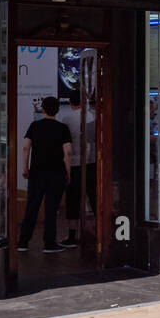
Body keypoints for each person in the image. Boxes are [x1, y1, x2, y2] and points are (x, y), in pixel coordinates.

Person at [18, 96, 72, 253]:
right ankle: (49, 243)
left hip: (36, 172)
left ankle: (23, 242)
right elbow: (67, 152)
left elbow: (25, 148)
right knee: (51, 207)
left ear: (42, 109)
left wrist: (25, 168)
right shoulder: (63, 128)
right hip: (56, 173)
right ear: (58, 110)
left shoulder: (34, 126)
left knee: (32, 206)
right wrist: (68, 171)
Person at [56, 94, 97, 247]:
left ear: (71, 103)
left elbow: (65, 144)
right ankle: (99, 232)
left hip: (74, 164)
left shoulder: (67, 119)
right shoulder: (93, 116)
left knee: (72, 199)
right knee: (94, 197)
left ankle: (72, 235)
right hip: (92, 163)